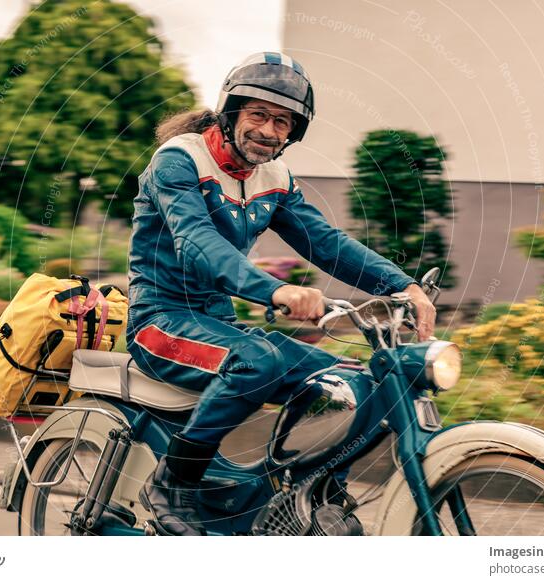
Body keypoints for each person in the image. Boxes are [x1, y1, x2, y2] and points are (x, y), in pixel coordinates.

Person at [125, 51, 436, 536]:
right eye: (260, 115)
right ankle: (172, 485)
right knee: (258, 361)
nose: (270, 131)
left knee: (353, 381)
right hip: (159, 321)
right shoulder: (179, 161)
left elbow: (325, 243)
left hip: (217, 324)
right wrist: (275, 291)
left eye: (283, 122)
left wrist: (403, 285)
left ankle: (314, 491)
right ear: (231, 113)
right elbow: (196, 242)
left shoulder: (274, 178)